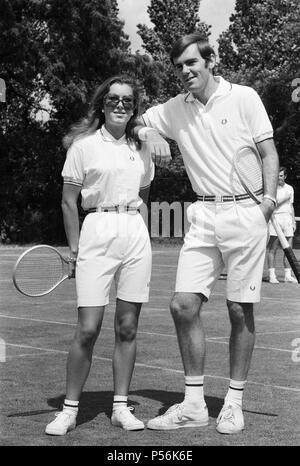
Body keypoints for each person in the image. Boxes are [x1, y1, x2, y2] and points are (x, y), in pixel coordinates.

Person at [134, 32, 279, 434]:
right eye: (179, 66)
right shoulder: (174, 109)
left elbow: (268, 152)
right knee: (182, 305)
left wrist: (267, 202)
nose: (185, 72)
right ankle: (194, 404)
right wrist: (149, 133)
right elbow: (134, 121)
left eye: (192, 64)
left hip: (246, 212)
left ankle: (233, 402)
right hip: (201, 215)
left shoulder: (245, 97)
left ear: (210, 60)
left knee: (239, 309)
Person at [45, 76, 155, 435]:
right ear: (102, 104)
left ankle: (121, 407)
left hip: (135, 233)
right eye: (113, 99)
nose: (120, 104)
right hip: (97, 231)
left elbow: (145, 195)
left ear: (134, 107)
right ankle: (69, 410)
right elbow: (68, 202)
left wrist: (141, 233)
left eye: (127, 100)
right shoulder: (83, 146)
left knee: (127, 327)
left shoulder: (142, 147)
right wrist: (75, 250)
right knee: (88, 328)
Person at [267, 167, 297, 283]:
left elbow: (291, 206)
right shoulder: (271, 189)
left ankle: (287, 275)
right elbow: (273, 205)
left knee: (289, 249)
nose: (278, 178)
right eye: (277, 175)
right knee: (272, 248)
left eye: (280, 176)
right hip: (275, 219)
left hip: (288, 220)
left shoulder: (290, 188)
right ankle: (272, 275)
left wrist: (293, 221)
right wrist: (284, 198)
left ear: (285, 176)